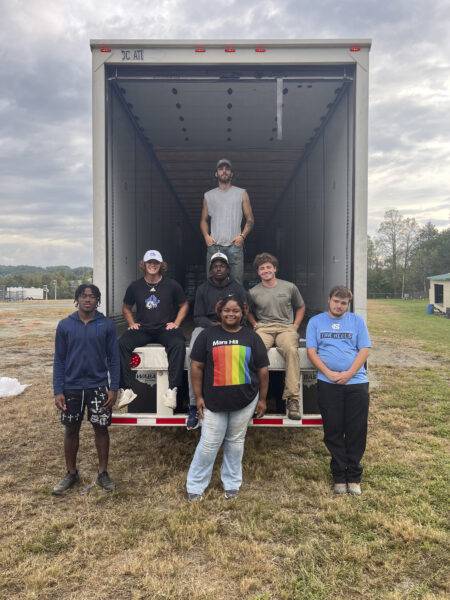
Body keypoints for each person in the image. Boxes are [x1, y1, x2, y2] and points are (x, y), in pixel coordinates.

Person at [186, 295, 269, 501]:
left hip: (245, 401)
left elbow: (263, 370)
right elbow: (196, 367)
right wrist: (198, 397)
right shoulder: (207, 335)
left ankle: (232, 483)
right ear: (219, 312)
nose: (231, 314)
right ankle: (195, 486)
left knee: (235, 442)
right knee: (208, 444)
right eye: (227, 310)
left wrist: (262, 400)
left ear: (243, 313)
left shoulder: (252, 337)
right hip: (213, 402)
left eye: (236, 311)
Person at [52, 284, 120, 495]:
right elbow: (59, 360)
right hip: (71, 387)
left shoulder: (106, 325)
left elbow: (114, 359)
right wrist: (58, 389)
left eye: (92, 296)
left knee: (101, 429)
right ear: (77, 299)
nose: (88, 299)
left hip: (99, 386)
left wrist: (114, 387)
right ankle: (71, 473)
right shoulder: (65, 325)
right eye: (84, 296)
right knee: (71, 430)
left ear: (97, 301)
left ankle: (103, 473)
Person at [306, 286, 371, 495]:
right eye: (336, 301)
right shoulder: (315, 322)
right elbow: (311, 351)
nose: (339, 306)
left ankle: (353, 476)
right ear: (329, 300)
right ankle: (338, 476)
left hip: (356, 383)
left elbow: (364, 349)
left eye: (343, 303)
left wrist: (349, 373)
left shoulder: (357, 321)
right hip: (328, 383)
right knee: (333, 430)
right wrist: (329, 372)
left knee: (356, 430)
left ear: (348, 304)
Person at [118, 250, 189, 409]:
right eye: (149, 262)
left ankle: (172, 390)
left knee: (178, 343)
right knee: (122, 343)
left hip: (165, 328)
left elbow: (184, 305)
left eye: (156, 263)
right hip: (143, 329)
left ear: (161, 265)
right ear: (143, 265)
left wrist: (176, 323)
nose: (152, 265)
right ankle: (127, 389)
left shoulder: (172, 284)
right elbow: (126, 307)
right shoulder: (135, 286)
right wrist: (131, 323)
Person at [186, 252, 248, 430]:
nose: (218, 268)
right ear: (211, 270)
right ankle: (193, 405)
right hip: (206, 326)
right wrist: (213, 325)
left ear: (228, 269)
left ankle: (243, 403)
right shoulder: (202, 289)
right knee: (193, 355)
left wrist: (229, 324)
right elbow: (197, 316)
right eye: (215, 266)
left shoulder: (237, 288)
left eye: (222, 265)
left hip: (232, 325)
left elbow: (243, 312)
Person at [247, 253, 305, 420]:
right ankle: (253, 398)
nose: (265, 270)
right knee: (254, 354)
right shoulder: (253, 292)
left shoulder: (289, 287)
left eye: (268, 267)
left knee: (291, 351)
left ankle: (292, 400)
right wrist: (254, 324)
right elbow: (247, 311)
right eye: (261, 268)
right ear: (258, 272)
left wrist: (295, 326)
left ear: (275, 269)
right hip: (264, 328)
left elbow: (300, 306)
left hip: (285, 328)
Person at [200, 158, 254, 284]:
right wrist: (206, 236)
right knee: (211, 282)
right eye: (221, 169)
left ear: (231, 174)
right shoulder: (208, 195)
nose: (224, 171)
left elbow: (250, 219)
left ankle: (235, 304)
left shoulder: (241, 193)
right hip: (214, 246)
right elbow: (203, 220)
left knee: (236, 282)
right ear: (216, 173)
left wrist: (242, 236)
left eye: (227, 169)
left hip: (235, 246)